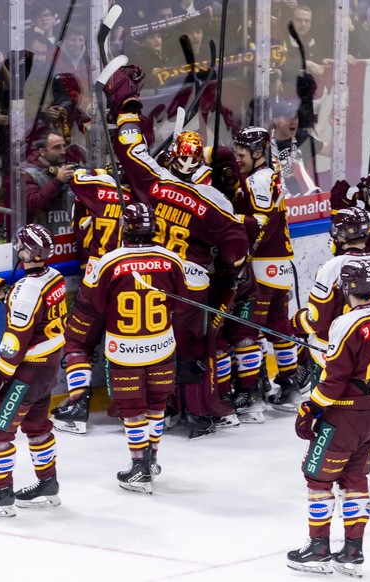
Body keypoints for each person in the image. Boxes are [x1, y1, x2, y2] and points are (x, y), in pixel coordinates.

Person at [104, 69, 249, 438]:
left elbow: (130, 148)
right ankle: (198, 413)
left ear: (171, 158)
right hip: (194, 285)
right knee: (195, 348)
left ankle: (156, 410)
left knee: (153, 346)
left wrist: (127, 108)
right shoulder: (213, 200)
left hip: (152, 275)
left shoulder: (153, 180)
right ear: (199, 164)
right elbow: (236, 244)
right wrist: (232, 274)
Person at [286, 259, 370, 578]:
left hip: (342, 415)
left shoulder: (345, 324)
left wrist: (309, 409)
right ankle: (353, 551)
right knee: (355, 480)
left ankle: (318, 548)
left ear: (344, 289)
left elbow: (334, 380)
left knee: (319, 479)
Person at [88, 203, 188, 493]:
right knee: (157, 405)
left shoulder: (111, 262)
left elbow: (96, 305)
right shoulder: (171, 260)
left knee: (132, 409)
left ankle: (139, 466)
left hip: (125, 349)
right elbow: (181, 306)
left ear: (125, 228)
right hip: (161, 347)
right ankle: (151, 459)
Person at [0, 224, 67, 518]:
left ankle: (3, 494)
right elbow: (33, 309)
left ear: (28, 251)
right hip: (48, 369)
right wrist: (2, 291)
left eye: (21, 246)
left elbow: (15, 342)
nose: (18, 250)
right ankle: (47, 482)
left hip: (25, 373)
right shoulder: (55, 277)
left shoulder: (27, 290)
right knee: (37, 424)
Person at [290, 207, 370, 444]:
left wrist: (297, 321)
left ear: (339, 235)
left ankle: (327, 437)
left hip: (337, 347)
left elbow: (319, 321)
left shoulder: (333, 267)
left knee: (331, 398)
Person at [52, 167, 130, 435]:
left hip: (97, 277)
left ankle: (78, 405)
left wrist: (99, 171)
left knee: (76, 341)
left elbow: (76, 178)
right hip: (133, 280)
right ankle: (130, 408)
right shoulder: (147, 199)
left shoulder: (101, 190)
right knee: (125, 344)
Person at [231, 127, 299, 413]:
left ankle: (251, 395)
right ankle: (289, 383)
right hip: (279, 263)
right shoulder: (266, 176)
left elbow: (259, 223)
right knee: (278, 325)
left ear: (258, 153)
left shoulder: (258, 180)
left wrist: (228, 217)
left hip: (262, 266)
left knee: (248, 329)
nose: (237, 159)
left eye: (242, 154)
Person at [22, 131, 78, 235]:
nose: (63, 152)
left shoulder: (69, 168)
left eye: (64, 146)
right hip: (43, 238)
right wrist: (58, 181)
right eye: (57, 147)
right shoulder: (29, 173)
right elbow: (33, 203)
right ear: (43, 151)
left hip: (71, 236)